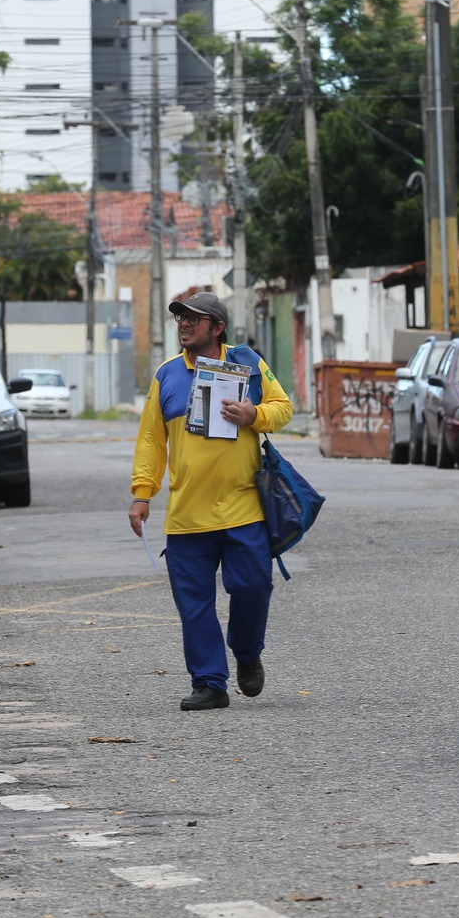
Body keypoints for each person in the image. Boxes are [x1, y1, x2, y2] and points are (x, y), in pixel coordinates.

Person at [128, 291, 293, 711]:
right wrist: (142, 493)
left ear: (217, 328)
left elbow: (283, 407)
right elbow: (151, 439)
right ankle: (209, 683)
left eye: (194, 319)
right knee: (194, 604)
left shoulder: (248, 363)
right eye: (180, 318)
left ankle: (247, 650)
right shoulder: (166, 375)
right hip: (188, 515)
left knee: (253, 586)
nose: (183, 324)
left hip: (244, 508)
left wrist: (253, 415)